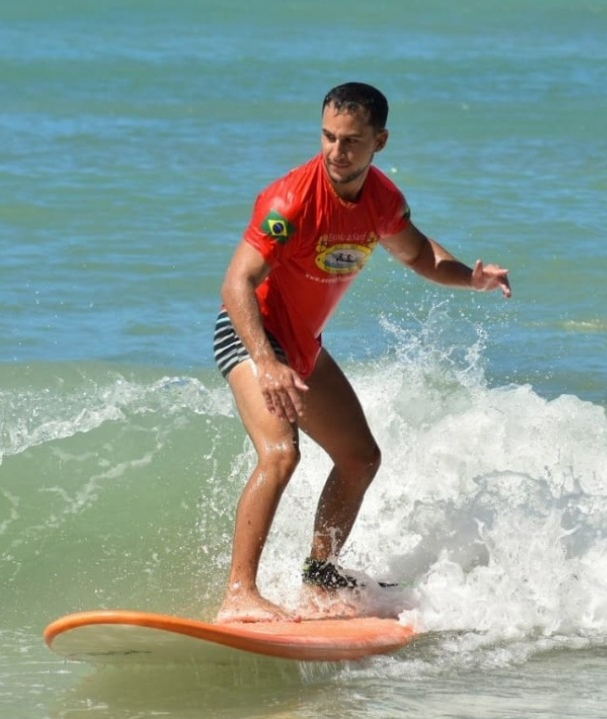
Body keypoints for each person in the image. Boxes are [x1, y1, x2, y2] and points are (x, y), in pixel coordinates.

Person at [213, 82, 511, 624]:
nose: (336, 150)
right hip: (252, 334)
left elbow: (419, 255)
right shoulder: (289, 201)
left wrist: (470, 279)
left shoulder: (381, 201)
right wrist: (268, 362)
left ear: (380, 141)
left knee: (360, 458)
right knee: (281, 454)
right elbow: (237, 284)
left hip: (302, 345)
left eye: (351, 140)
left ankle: (320, 577)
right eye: (328, 136)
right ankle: (239, 593)